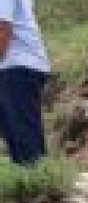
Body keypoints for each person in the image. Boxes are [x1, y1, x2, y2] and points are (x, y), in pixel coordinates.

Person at [0, 0, 50, 165]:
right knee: (17, 134)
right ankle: (37, 174)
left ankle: (35, 176)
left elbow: (3, 30)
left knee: (23, 136)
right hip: (17, 67)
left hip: (17, 67)